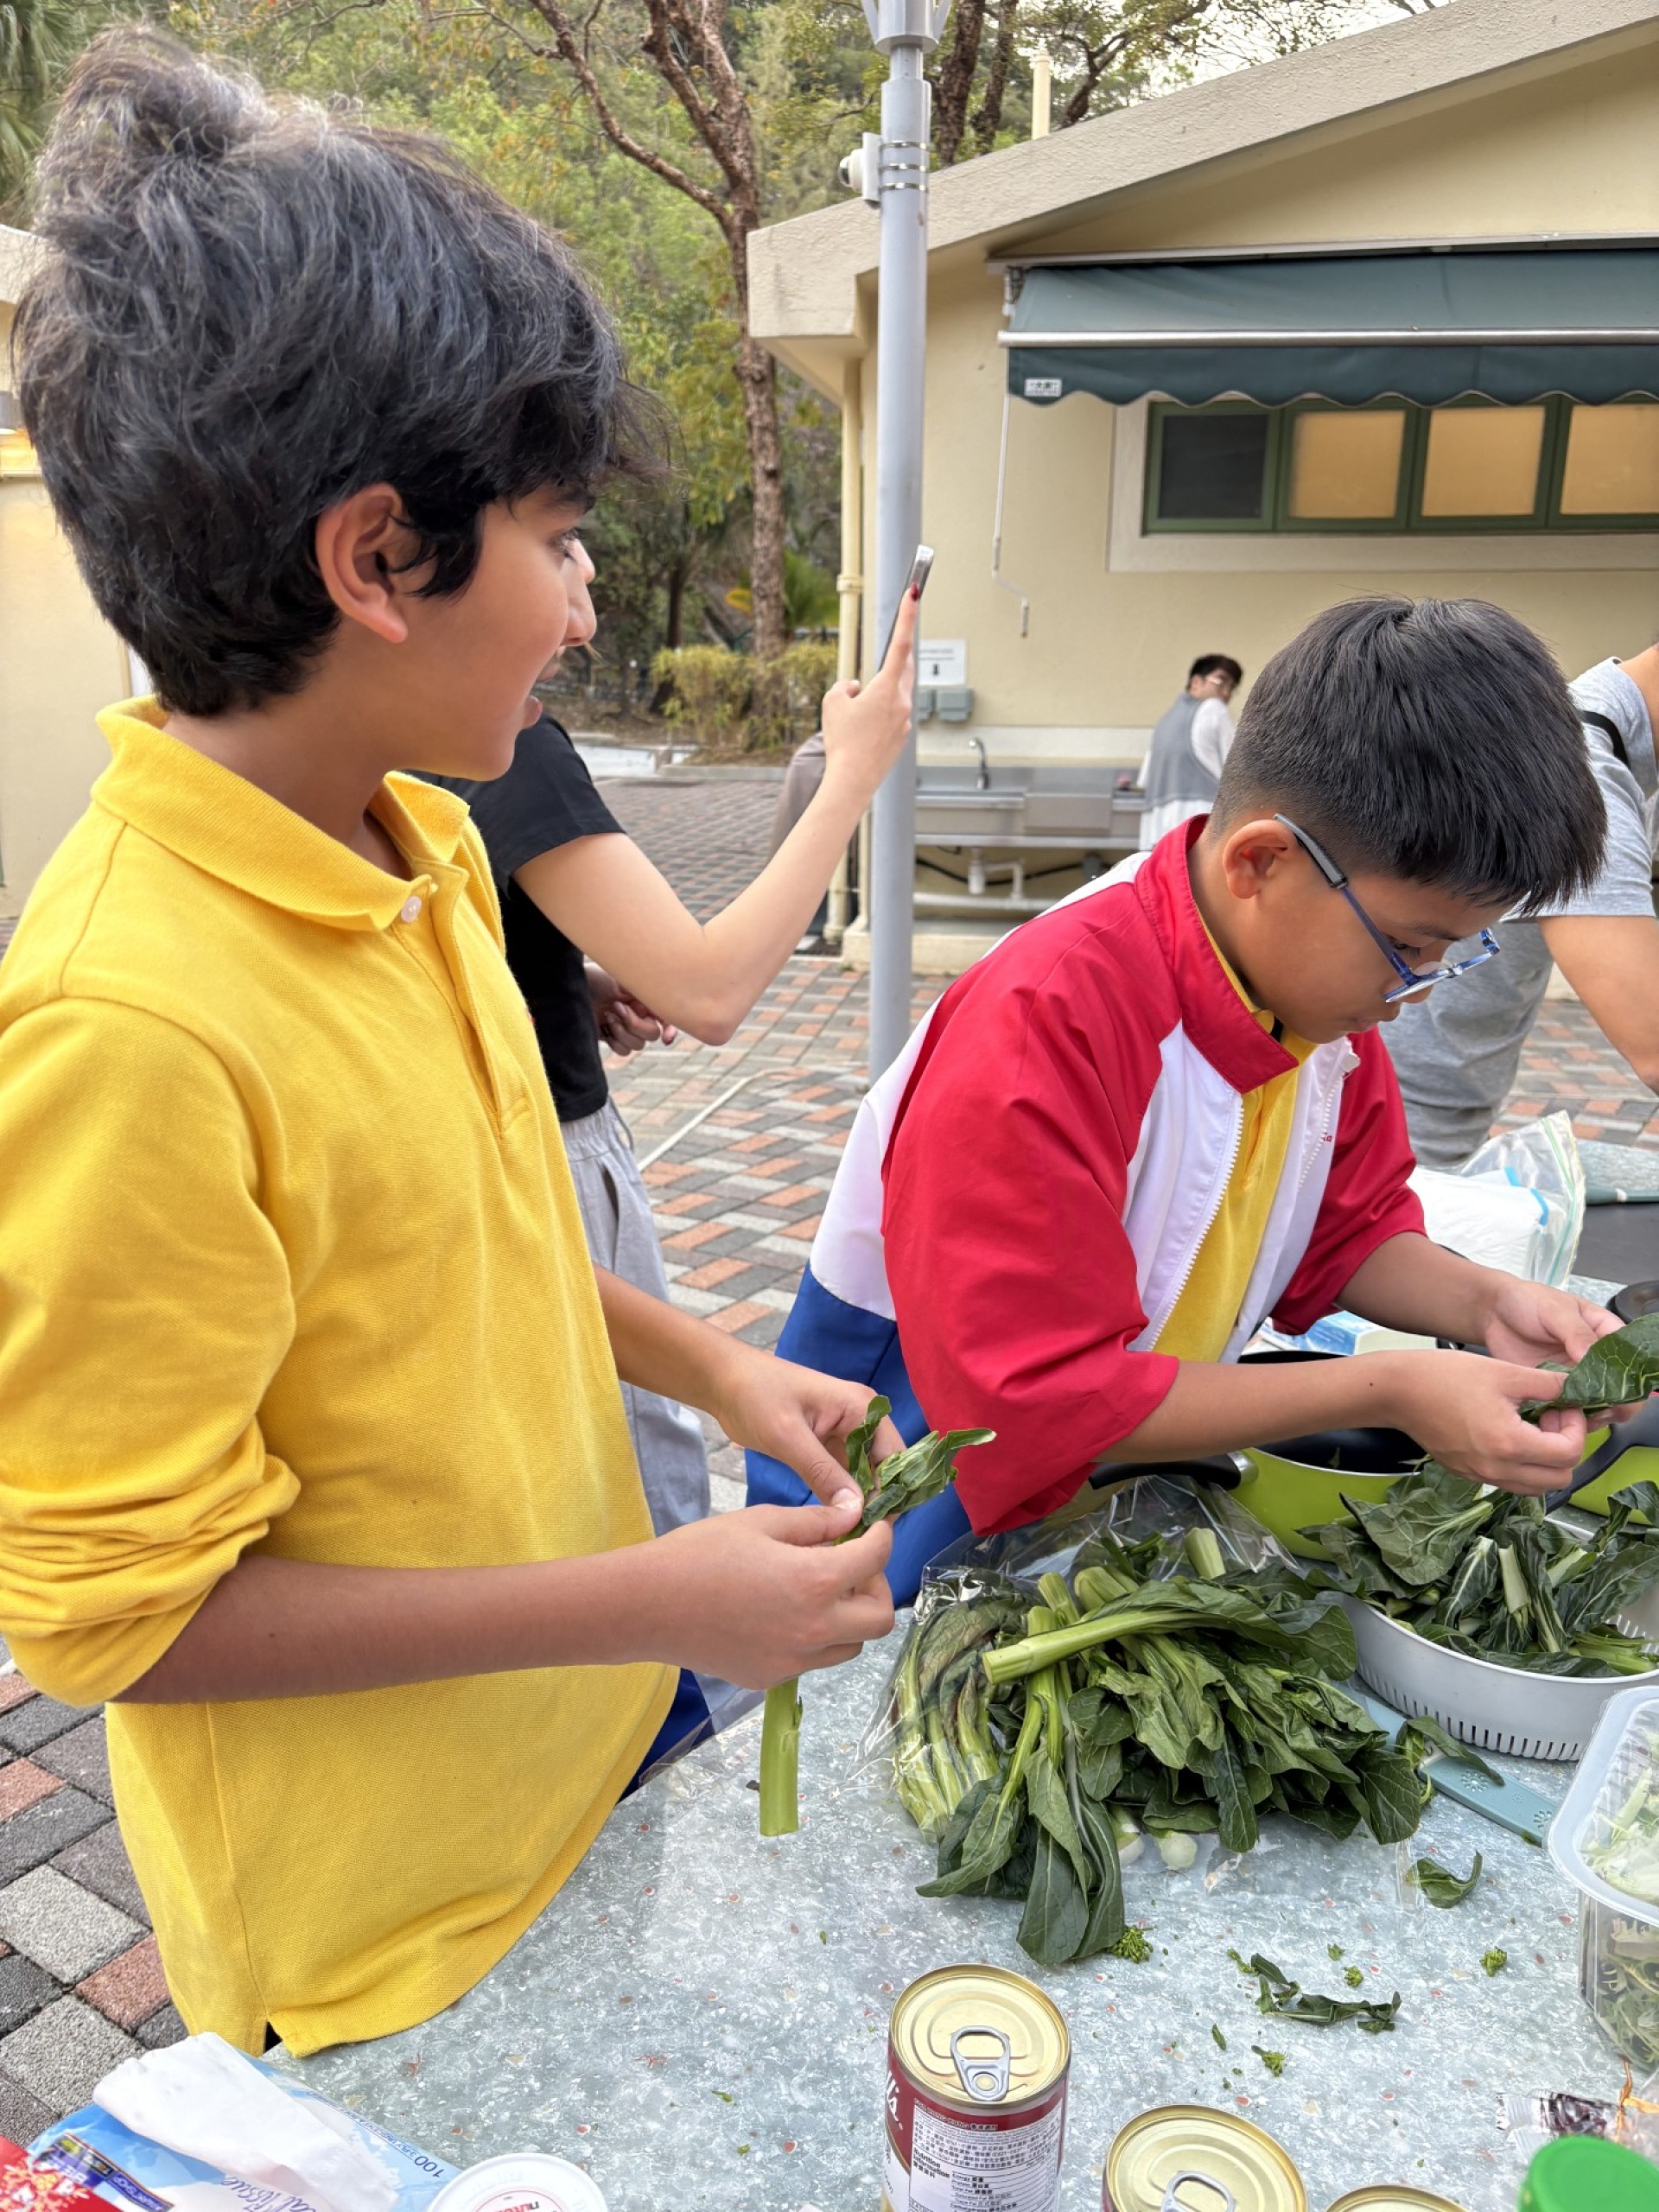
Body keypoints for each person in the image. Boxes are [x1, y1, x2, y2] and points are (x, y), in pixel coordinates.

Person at [0, 30, 901, 2057]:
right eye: (554, 539)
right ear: (378, 558)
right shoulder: (124, 1024)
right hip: (382, 1950)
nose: (581, 609)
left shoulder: (416, 836)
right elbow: (120, 1616)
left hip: (576, 1766)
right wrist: (660, 1593)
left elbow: (462, 1257)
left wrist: (715, 1361)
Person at [749, 598, 1626, 1601]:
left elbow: (1349, 1229)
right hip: (904, 1508)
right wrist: (1395, 1386)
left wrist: (1488, 1302)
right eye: (1410, 945)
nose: (1417, 988)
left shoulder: (1319, 1004)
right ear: (1261, 861)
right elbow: (1032, 1399)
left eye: (1449, 952)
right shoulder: (1048, 1016)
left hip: (1091, 1486)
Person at [422, 594, 902, 1538]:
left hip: (465, 1156)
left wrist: (569, 981)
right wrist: (851, 773)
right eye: (557, 541)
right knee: (638, 1467)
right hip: (547, 1155)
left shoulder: (363, 762)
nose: (586, 608)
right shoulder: (510, 743)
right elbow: (709, 991)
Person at [1386, 645, 1659, 1166]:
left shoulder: (1588, 742)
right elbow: (1653, 1044)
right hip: (1396, 1117)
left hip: (1442, 1105)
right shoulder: (1577, 767)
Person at [1137, 652, 1243, 849]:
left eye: (1232, 687)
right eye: (1221, 681)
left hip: (1155, 828)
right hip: (1200, 822)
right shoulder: (1215, 709)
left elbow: (1145, 780)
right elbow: (1239, 766)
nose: (1226, 693)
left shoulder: (1164, 722)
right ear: (1196, 682)